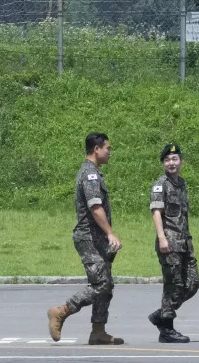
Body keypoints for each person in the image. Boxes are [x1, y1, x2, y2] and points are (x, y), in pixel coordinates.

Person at [46, 132, 124, 346]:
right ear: (96, 149)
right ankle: (61, 311)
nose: (110, 152)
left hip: (97, 239)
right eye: (107, 148)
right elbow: (95, 207)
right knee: (100, 284)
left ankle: (98, 331)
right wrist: (110, 233)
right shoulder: (90, 174)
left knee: (106, 287)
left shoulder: (94, 173)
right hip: (90, 238)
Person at [147, 143, 199, 344]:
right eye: (167, 160)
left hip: (185, 242)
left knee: (193, 283)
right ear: (163, 163)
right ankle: (166, 328)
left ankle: (160, 314)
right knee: (173, 286)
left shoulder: (181, 183)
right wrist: (162, 238)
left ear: (181, 162)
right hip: (169, 242)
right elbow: (156, 212)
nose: (171, 163)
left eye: (175, 159)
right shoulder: (160, 184)